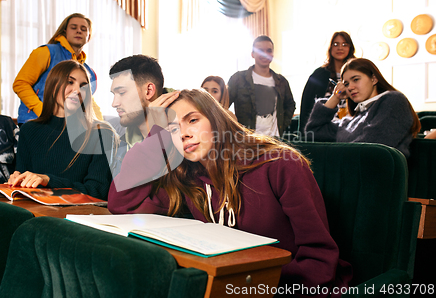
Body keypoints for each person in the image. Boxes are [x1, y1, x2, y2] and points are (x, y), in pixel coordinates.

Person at [108, 89, 352, 296]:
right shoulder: (186, 177)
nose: (183, 134)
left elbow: (319, 259)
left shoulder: (281, 165)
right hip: (229, 285)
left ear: (215, 119)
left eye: (192, 120)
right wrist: (153, 141)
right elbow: (122, 204)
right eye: (171, 129)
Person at [8, 60, 116, 200]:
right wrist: (17, 180)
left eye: (83, 86)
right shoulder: (29, 130)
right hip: (34, 214)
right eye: (70, 82)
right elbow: (23, 188)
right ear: (53, 85)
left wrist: (49, 181)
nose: (77, 91)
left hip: (77, 217)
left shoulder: (101, 133)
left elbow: (97, 192)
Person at [305, 58, 420, 157]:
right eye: (346, 84)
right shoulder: (355, 118)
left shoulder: (393, 100)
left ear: (374, 79)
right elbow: (313, 133)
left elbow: (369, 150)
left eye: (356, 79)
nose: (350, 87)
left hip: (377, 180)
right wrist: (335, 97)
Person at [13, 13, 100, 124]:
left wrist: (100, 124)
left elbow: (89, 101)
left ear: (89, 36)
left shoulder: (89, 72)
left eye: (84, 29)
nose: (79, 31)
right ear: (64, 31)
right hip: (36, 122)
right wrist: (43, 112)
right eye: (73, 27)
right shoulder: (45, 52)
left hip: (67, 126)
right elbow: (20, 83)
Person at [108, 54, 179, 176]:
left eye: (121, 92)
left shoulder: (185, 137)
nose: (114, 103)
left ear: (149, 91)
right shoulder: (123, 145)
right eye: (114, 94)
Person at [228, 35, 295, 137]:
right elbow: (223, 105)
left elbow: (290, 104)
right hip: (247, 140)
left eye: (269, 50)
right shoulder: (238, 79)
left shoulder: (281, 81)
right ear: (252, 54)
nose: (265, 54)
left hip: (274, 140)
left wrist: (281, 125)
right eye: (260, 50)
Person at [299, 32, 356, 133]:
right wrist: (305, 134)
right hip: (324, 129)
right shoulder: (319, 74)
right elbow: (307, 105)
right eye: (335, 44)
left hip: (352, 129)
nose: (340, 48)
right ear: (330, 48)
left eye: (344, 44)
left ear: (350, 48)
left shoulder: (358, 73)